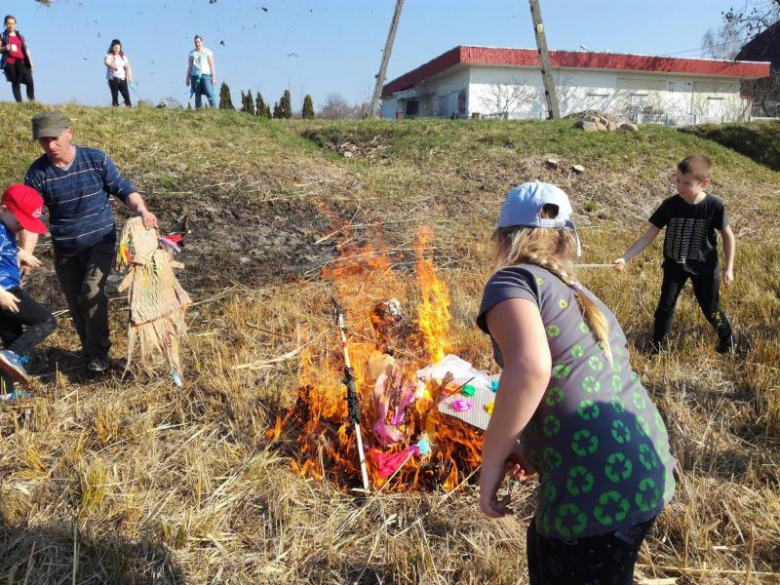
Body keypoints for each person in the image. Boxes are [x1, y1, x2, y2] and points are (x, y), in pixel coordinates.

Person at [477, 182, 676, 584]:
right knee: (547, 550)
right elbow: (577, 378)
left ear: (502, 238)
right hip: (644, 464)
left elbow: (530, 368)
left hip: (598, 485)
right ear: (568, 239)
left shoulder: (513, 281)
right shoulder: (574, 290)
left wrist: (491, 464)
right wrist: (532, 447)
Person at [22, 111, 157, 373]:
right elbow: (30, 218)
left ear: (69, 133)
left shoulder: (95, 159)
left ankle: (99, 353)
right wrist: (26, 253)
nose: (50, 145)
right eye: (44, 140)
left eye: (54, 138)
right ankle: (90, 353)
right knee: (76, 303)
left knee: (92, 292)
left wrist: (142, 210)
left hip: (100, 241)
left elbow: (123, 189)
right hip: (66, 248)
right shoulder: (37, 173)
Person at [614, 155, 735, 354]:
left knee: (711, 309)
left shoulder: (714, 206)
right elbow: (647, 236)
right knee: (665, 307)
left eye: (686, 183)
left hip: (705, 268)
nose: (679, 186)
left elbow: (728, 236)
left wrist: (728, 268)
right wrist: (625, 257)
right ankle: (658, 347)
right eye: (677, 180)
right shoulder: (670, 205)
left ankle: (728, 340)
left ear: (704, 183)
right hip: (675, 265)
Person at [0, 185, 56, 395]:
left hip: (6, 292)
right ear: (4, 210)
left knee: (12, 337)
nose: (22, 226)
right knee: (47, 321)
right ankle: (14, 354)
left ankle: (5, 393)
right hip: (6, 292)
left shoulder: (5, 228)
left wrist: (19, 252)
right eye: (20, 222)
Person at [0, 15, 35, 103]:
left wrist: (31, 64)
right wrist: (4, 48)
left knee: (30, 81)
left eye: (12, 24)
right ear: (5, 24)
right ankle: (19, 104)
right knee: (15, 82)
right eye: (8, 24)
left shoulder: (19, 36)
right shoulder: (2, 36)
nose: (11, 25)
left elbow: (26, 50)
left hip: (22, 62)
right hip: (10, 62)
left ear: (15, 24)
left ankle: (31, 102)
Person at [186, 35, 217, 109]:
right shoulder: (192, 53)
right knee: (197, 94)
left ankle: (214, 109)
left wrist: (213, 77)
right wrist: (187, 78)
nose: (197, 44)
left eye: (198, 42)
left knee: (209, 92)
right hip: (195, 76)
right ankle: (198, 110)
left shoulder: (207, 52)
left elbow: (211, 65)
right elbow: (190, 66)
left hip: (205, 75)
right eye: (195, 42)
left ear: (202, 42)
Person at [104, 39, 133, 107]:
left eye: (118, 48)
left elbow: (128, 67)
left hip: (123, 79)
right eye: (115, 48)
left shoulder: (124, 57)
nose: (117, 49)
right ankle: (115, 109)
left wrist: (130, 78)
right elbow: (106, 62)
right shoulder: (109, 56)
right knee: (115, 96)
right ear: (112, 47)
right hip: (113, 79)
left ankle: (129, 108)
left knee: (126, 96)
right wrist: (112, 65)